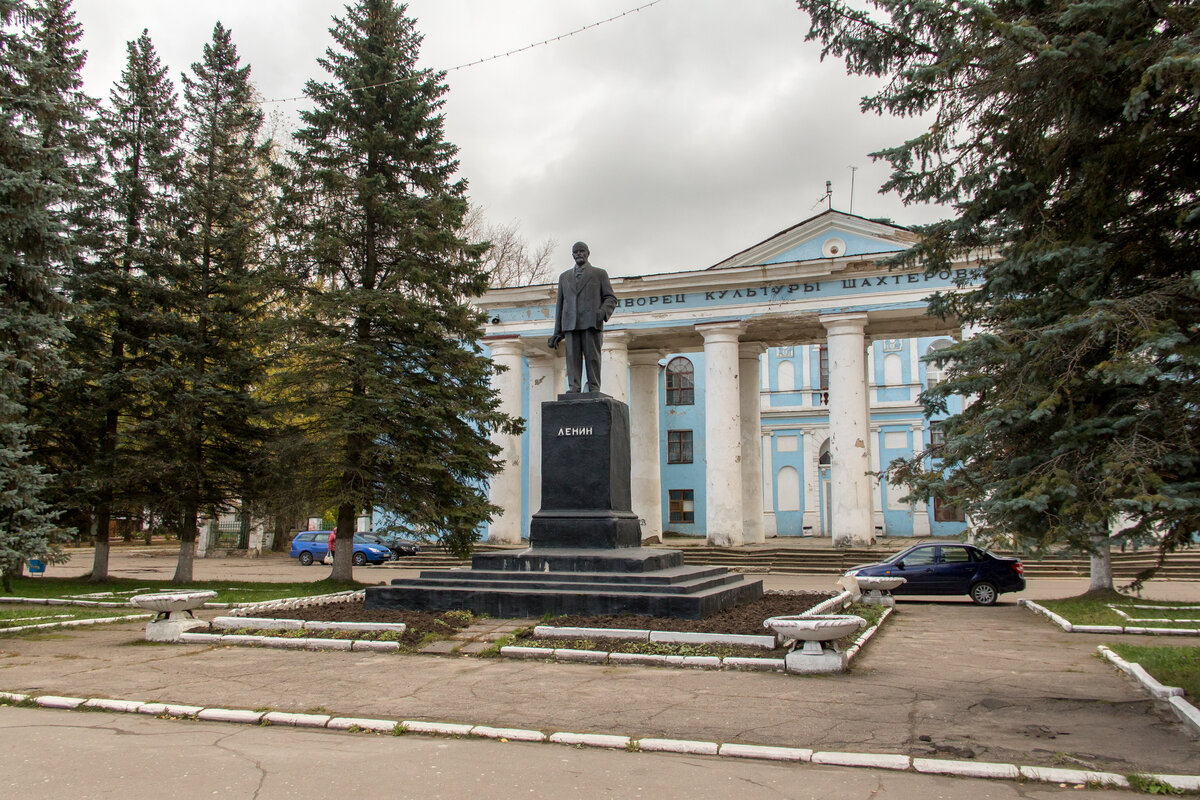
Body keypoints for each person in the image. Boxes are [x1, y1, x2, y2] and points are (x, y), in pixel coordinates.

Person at [548, 242, 618, 393]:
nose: (579, 254)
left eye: (582, 251)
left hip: (591, 323)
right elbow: (560, 305)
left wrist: (602, 313)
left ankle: (594, 387)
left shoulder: (599, 274)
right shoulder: (564, 277)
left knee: (592, 358)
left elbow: (611, 298)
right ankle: (574, 387)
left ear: (588, 253)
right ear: (572, 255)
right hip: (570, 324)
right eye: (576, 252)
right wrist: (557, 332)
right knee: (572, 359)